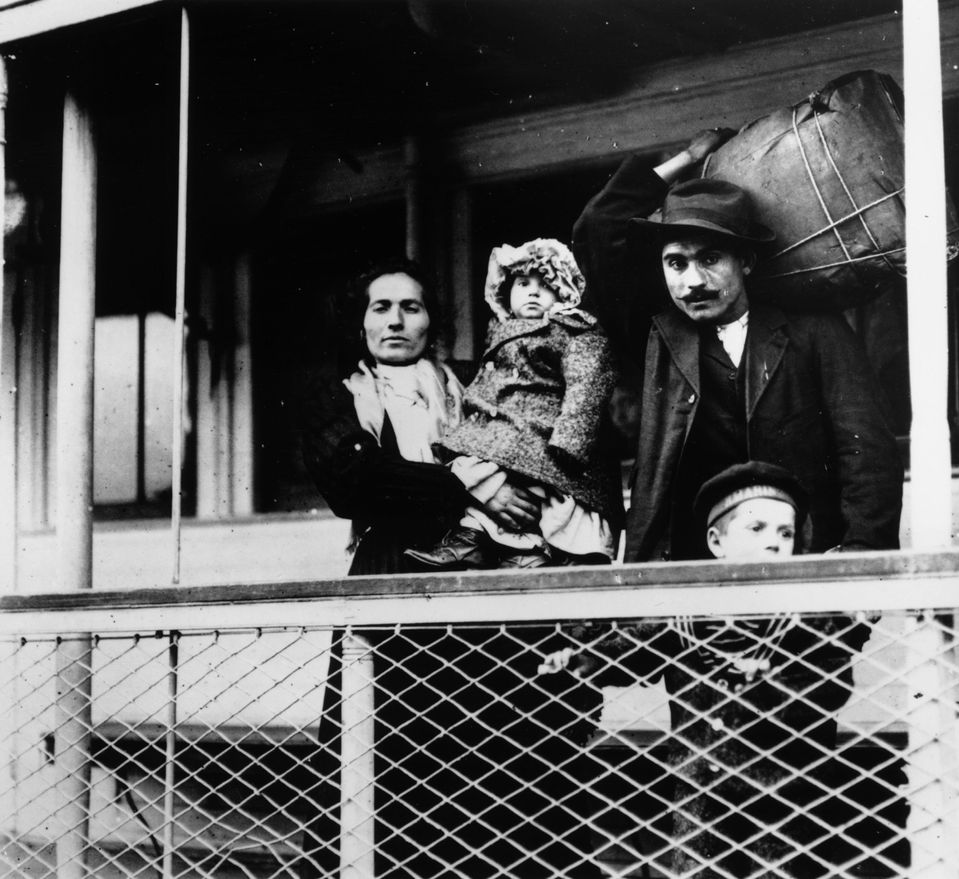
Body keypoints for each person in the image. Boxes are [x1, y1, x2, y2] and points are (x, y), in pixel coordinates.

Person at [300, 259, 594, 877]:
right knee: (387, 746)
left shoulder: (473, 382)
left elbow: (536, 429)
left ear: (432, 319)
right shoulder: (338, 395)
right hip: (391, 578)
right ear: (360, 322)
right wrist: (468, 485)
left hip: (482, 576)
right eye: (381, 307)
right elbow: (358, 482)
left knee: (493, 748)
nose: (397, 320)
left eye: (412, 306)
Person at [572, 129, 903, 562]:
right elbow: (596, 228)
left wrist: (862, 554)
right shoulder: (657, 334)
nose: (693, 281)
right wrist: (686, 157)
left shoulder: (815, 331)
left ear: (745, 262)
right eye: (676, 263)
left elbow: (867, 452)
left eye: (710, 259)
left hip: (799, 561)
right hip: (684, 573)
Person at [543, 461, 872, 877]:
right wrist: (582, 659)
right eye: (757, 529)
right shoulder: (687, 613)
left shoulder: (805, 617)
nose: (774, 543)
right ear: (716, 542)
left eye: (785, 533)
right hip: (699, 790)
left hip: (781, 790)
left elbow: (830, 681)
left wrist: (771, 682)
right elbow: (634, 648)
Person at [407, 238, 622, 569]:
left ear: (565, 294)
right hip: (503, 429)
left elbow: (589, 379)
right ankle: (473, 538)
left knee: (553, 501)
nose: (533, 292)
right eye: (523, 284)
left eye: (546, 285)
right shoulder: (499, 332)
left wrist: (570, 441)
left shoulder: (572, 330)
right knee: (479, 471)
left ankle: (554, 556)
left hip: (544, 430)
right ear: (505, 293)